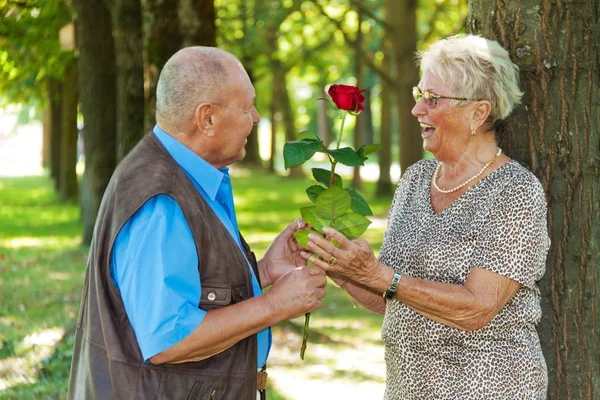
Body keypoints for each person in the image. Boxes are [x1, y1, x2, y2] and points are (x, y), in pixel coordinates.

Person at [68, 47, 327, 400]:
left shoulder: (190, 177)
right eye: (246, 106)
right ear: (206, 119)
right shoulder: (160, 198)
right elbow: (170, 339)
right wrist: (275, 305)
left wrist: (263, 272)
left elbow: (192, 289)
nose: (256, 117)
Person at [302, 34, 550, 399]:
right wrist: (341, 265)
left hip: (488, 387)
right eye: (420, 96)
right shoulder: (416, 179)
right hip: (408, 388)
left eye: (433, 99)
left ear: (478, 113)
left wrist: (377, 274)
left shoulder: (514, 191)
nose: (418, 110)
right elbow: (387, 297)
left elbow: (479, 308)